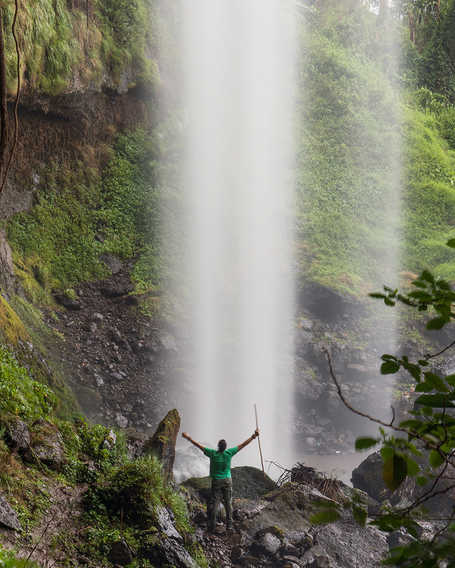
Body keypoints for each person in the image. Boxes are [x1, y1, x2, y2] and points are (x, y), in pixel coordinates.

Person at [182, 428, 259, 533]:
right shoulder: (229, 453)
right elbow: (243, 445)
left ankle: (212, 527)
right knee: (228, 503)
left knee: (215, 503)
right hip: (227, 480)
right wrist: (253, 436)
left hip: (217, 481)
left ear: (218, 446)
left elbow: (199, 446)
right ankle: (229, 526)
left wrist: (188, 438)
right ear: (225, 447)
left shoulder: (213, 453)